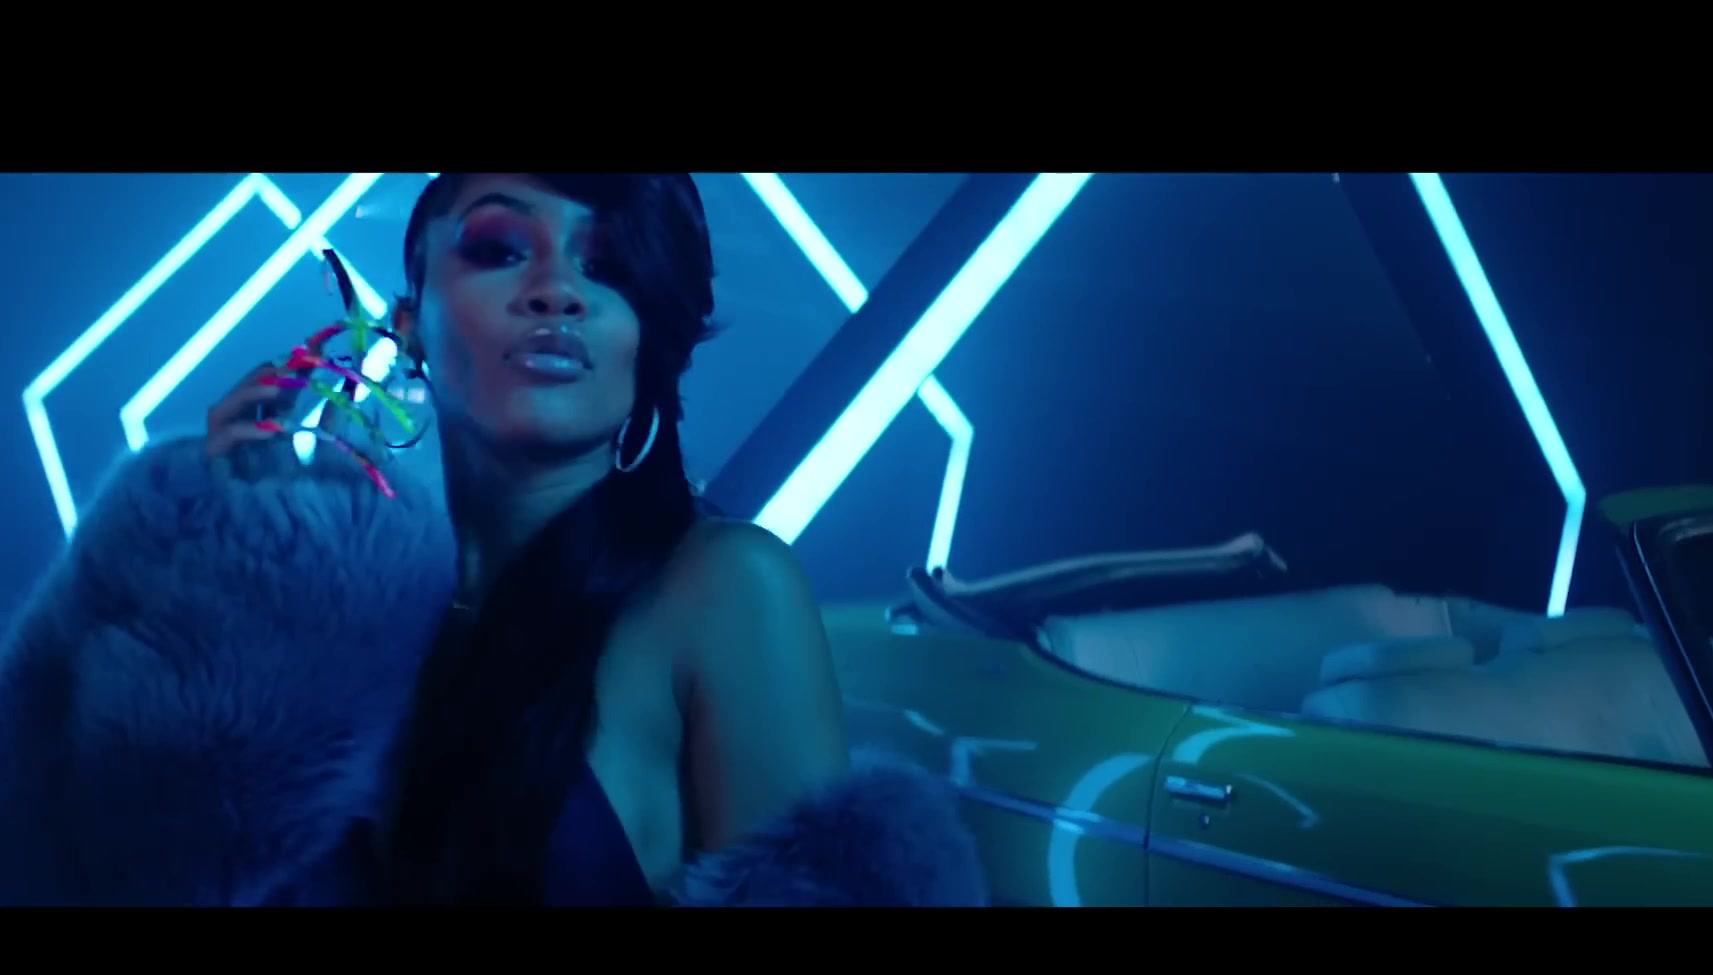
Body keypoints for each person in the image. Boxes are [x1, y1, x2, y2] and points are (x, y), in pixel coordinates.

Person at [0, 173, 987, 906]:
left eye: (608, 267)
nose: (558, 292)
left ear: (650, 341)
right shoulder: (335, 601)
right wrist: (215, 570)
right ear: (408, 323)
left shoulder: (723, 586)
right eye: (502, 249)